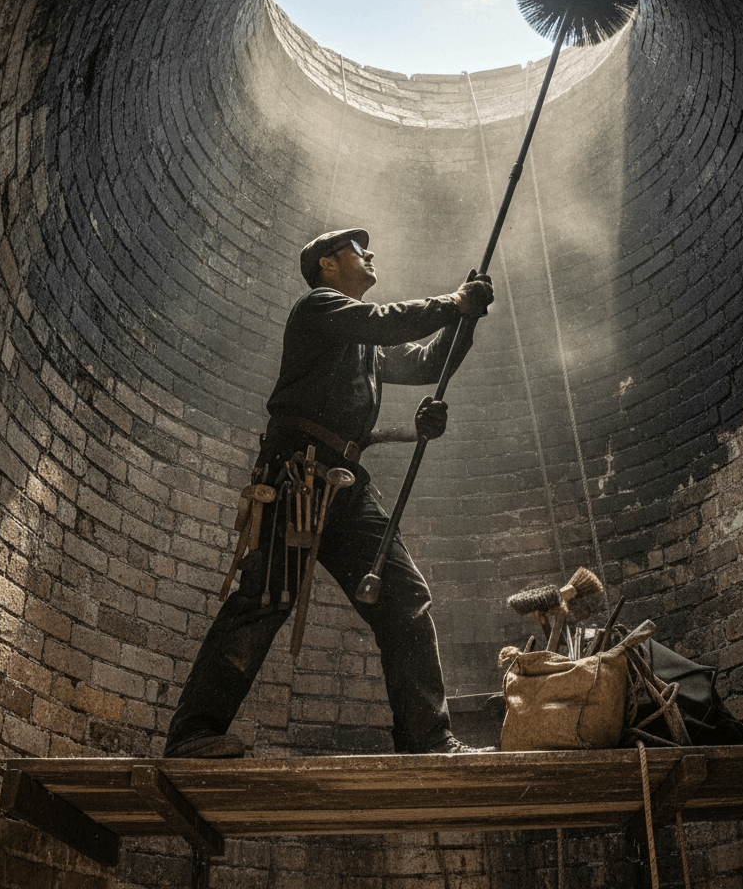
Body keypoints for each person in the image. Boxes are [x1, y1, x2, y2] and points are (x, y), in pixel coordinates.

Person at [164, 228, 495, 758]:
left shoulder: (364, 344)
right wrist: (452, 302)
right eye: (358, 249)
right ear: (327, 265)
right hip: (296, 478)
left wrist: (466, 319)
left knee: (403, 597)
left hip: (345, 484)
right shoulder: (318, 308)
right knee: (265, 599)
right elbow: (384, 321)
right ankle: (192, 734)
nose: (371, 253)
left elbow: (427, 363)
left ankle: (427, 739)